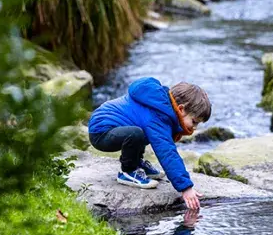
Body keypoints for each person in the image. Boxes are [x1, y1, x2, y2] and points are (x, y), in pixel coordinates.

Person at [88, 78, 212, 210]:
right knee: (136, 133)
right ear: (181, 109)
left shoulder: (160, 104)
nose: (195, 128)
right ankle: (128, 171)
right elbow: (167, 152)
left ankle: (136, 161)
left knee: (141, 130)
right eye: (194, 122)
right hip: (102, 133)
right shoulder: (159, 116)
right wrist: (185, 187)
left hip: (112, 128)